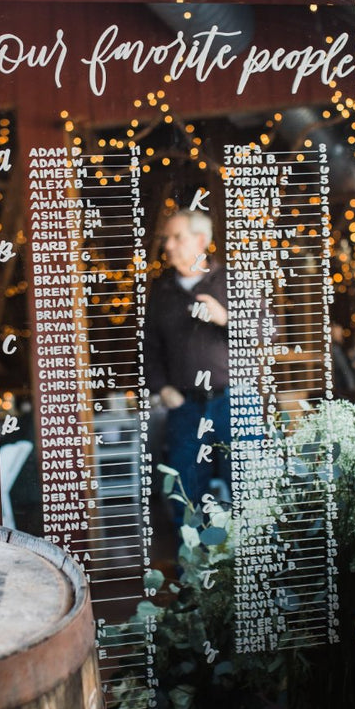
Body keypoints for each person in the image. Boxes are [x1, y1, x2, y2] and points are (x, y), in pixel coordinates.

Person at [143, 208, 232, 517]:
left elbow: (269, 331)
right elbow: (149, 347)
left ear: (201, 240)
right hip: (185, 408)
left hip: (233, 401)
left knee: (249, 493)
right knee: (186, 499)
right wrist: (162, 388)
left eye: (177, 237)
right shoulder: (162, 290)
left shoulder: (230, 281)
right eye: (167, 238)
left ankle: (245, 565)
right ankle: (193, 568)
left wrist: (225, 318)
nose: (168, 245)